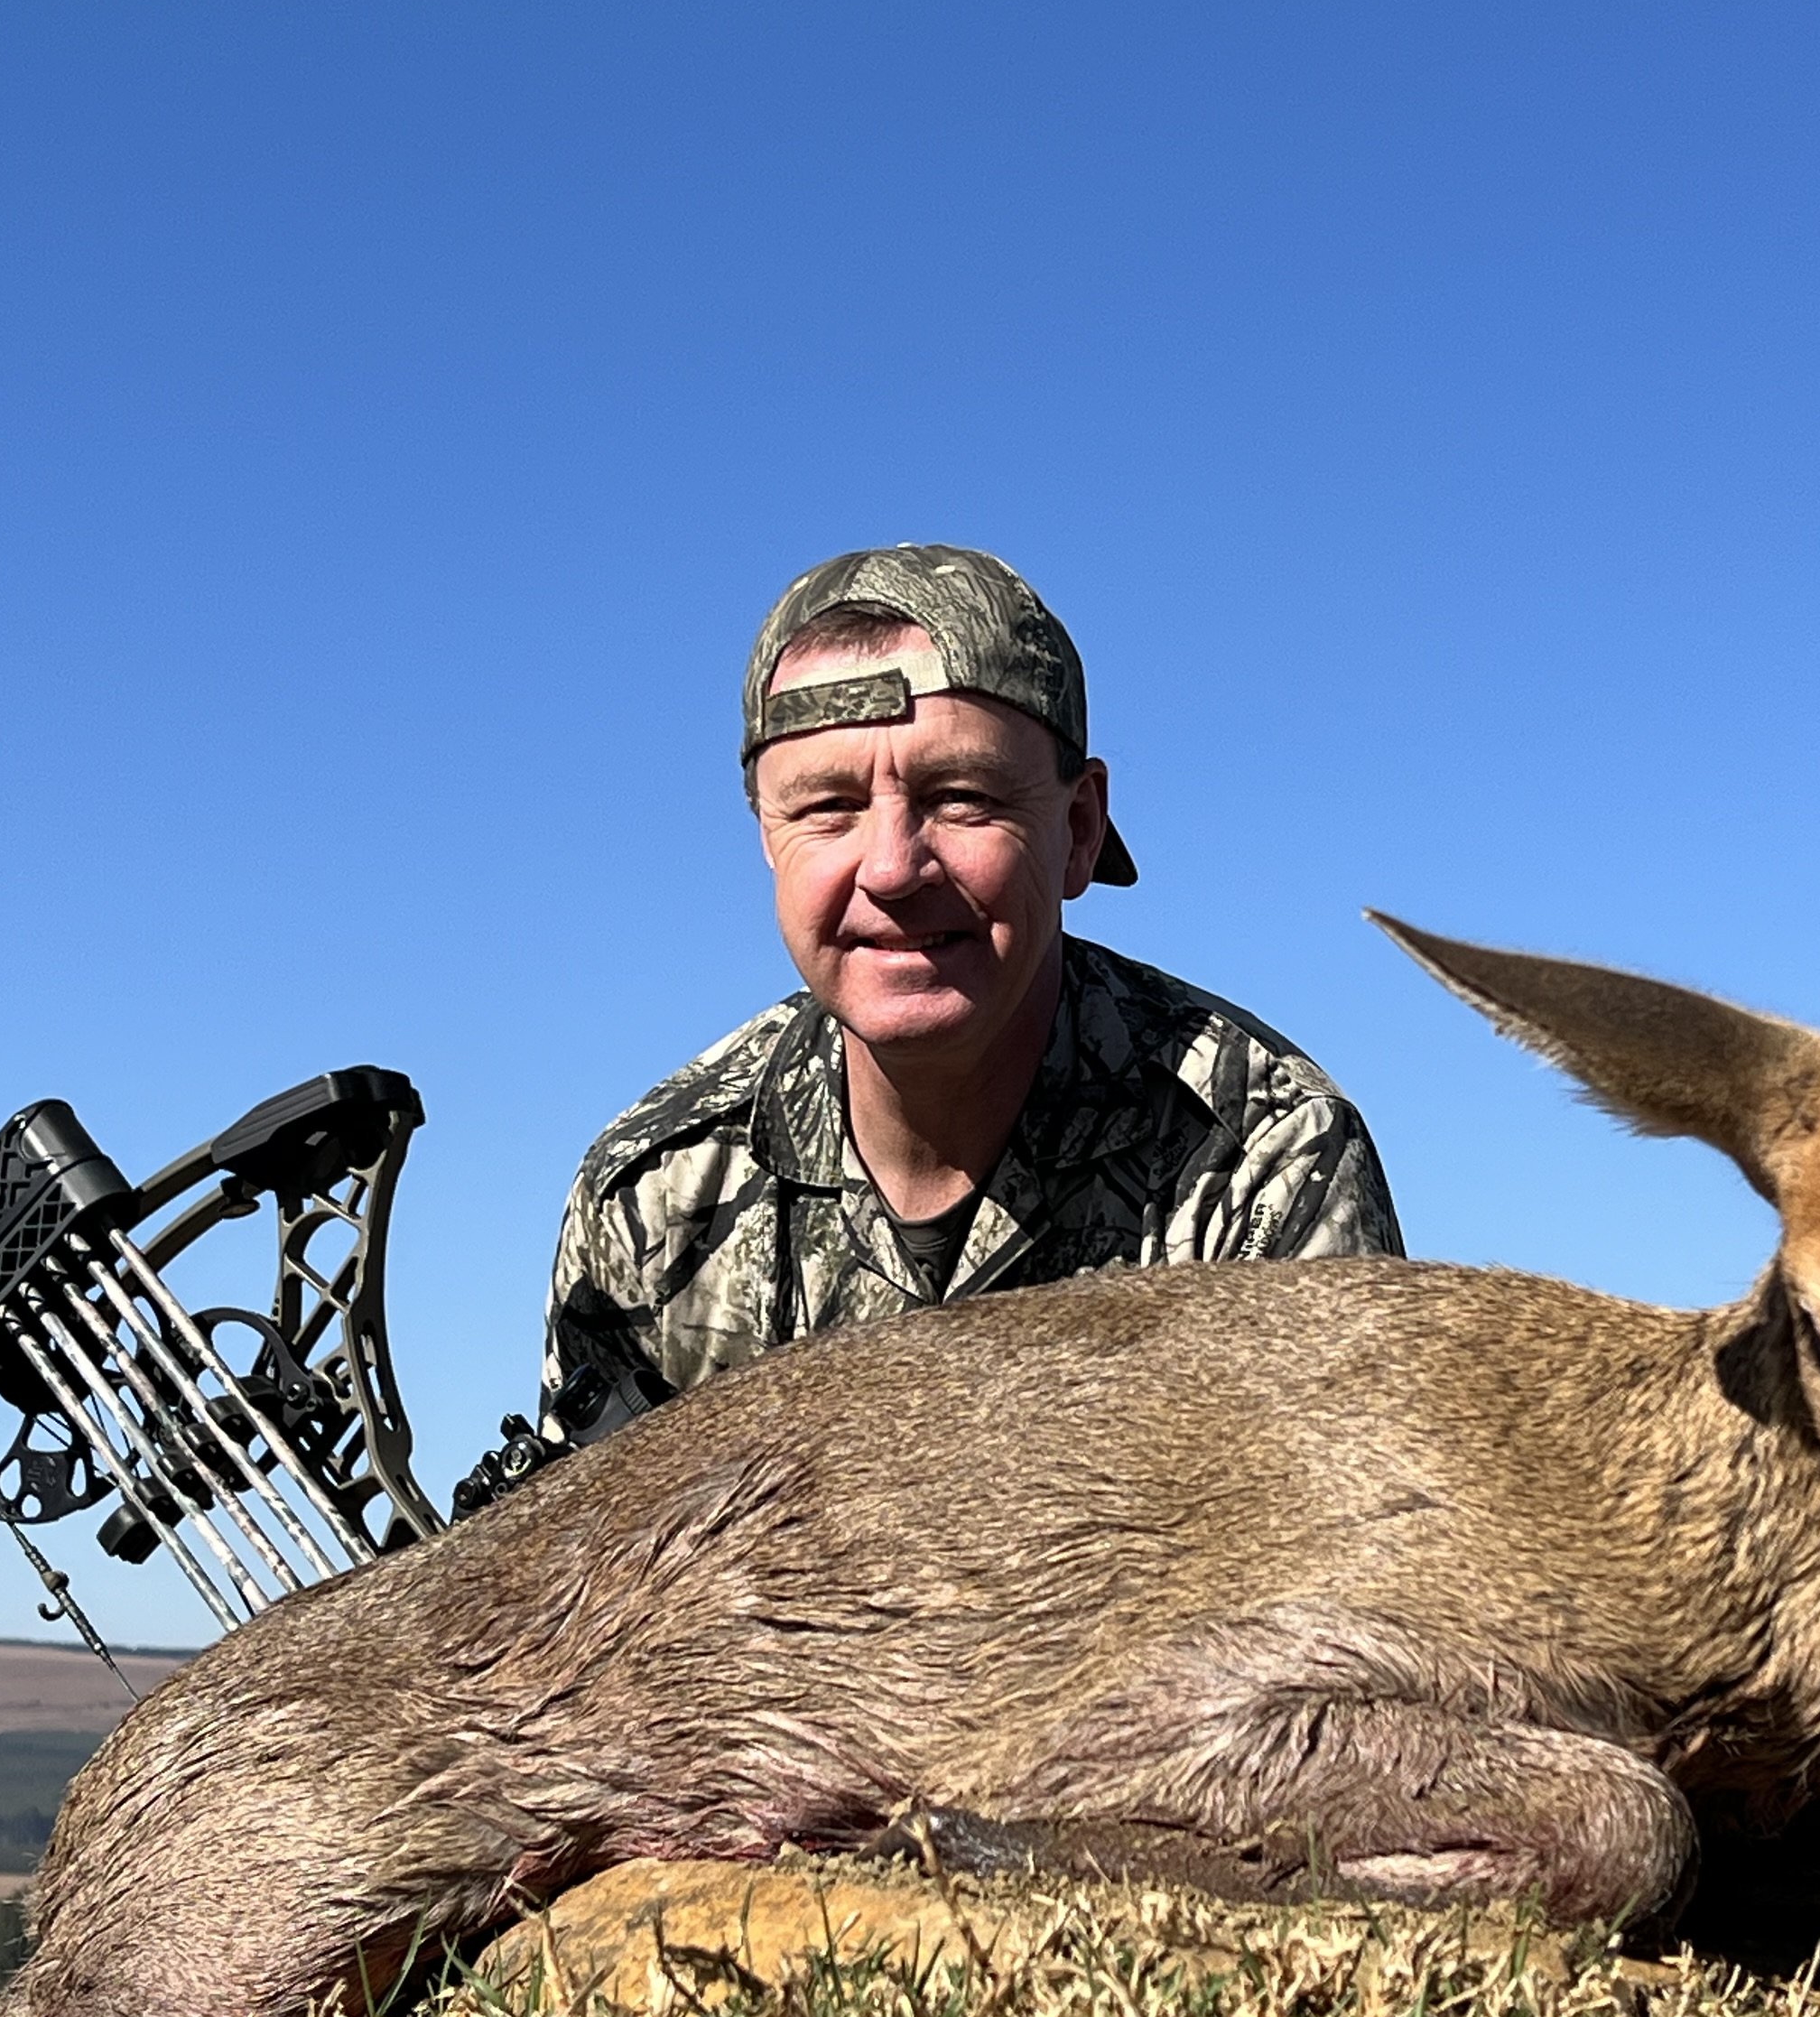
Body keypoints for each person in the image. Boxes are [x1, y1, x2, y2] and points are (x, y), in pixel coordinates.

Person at [478, 544, 1402, 1483]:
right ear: (766, 834)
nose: (889, 869)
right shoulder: (651, 1199)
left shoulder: (1261, 1160)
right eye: (827, 808)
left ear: (1078, 830)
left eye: (961, 799)